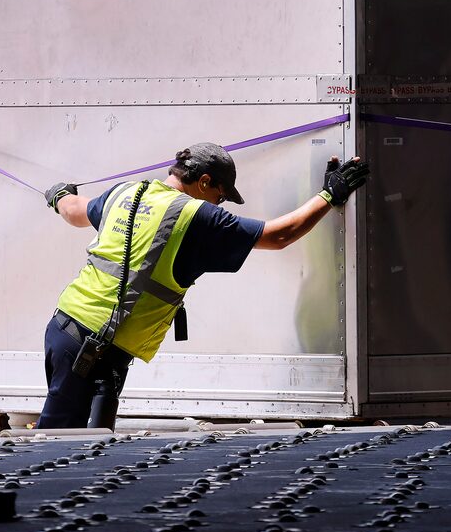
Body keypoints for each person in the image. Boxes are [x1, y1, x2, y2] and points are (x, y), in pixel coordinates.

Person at [38, 143, 369, 429]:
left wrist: (59, 195)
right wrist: (330, 195)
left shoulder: (126, 192)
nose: (218, 205)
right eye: (220, 197)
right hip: (90, 348)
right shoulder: (195, 216)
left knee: (86, 444)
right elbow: (278, 235)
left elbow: (75, 210)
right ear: (204, 181)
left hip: (70, 332)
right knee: (57, 445)